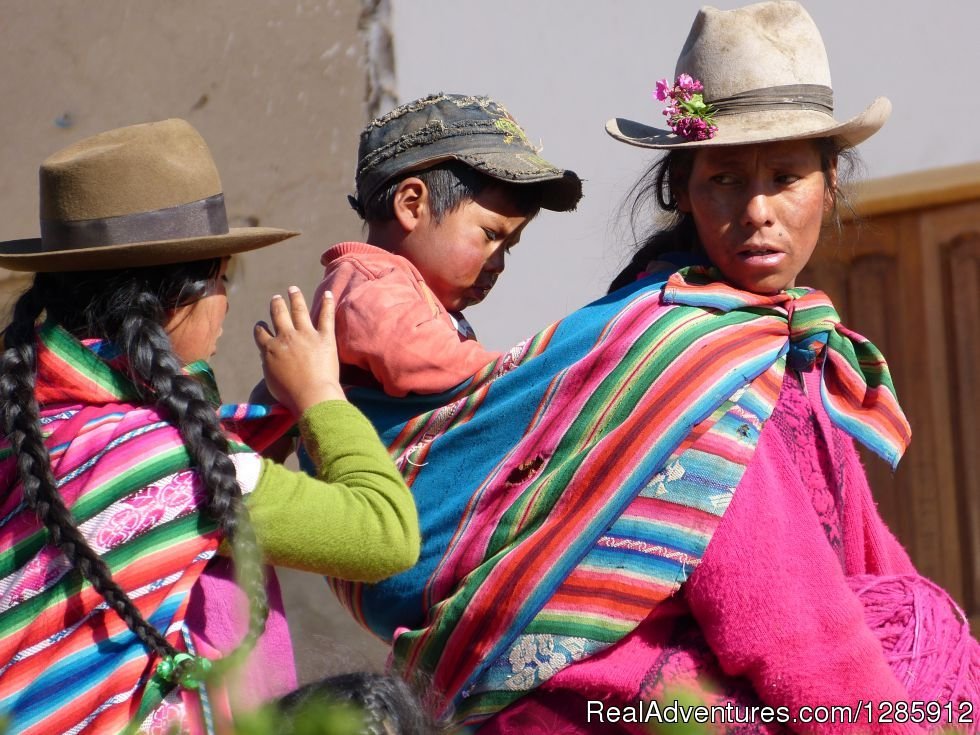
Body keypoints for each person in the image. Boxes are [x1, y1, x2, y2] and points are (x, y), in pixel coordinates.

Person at [326, 3, 978, 734]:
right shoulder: (689, 361)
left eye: (787, 176)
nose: (758, 208)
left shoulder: (778, 345)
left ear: (829, 186)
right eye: (726, 179)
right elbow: (791, 630)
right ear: (681, 190)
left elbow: (865, 556)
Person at [0, 118, 420, 734]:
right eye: (223, 277)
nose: (226, 299)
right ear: (175, 298)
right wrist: (321, 394)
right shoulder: (175, 465)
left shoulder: (32, 433)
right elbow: (385, 534)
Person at [312, 92, 582, 397]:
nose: (499, 265)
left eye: (508, 247)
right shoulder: (372, 286)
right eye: (490, 236)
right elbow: (417, 359)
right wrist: (532, 374)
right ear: (412, 205)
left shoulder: (412, 295)